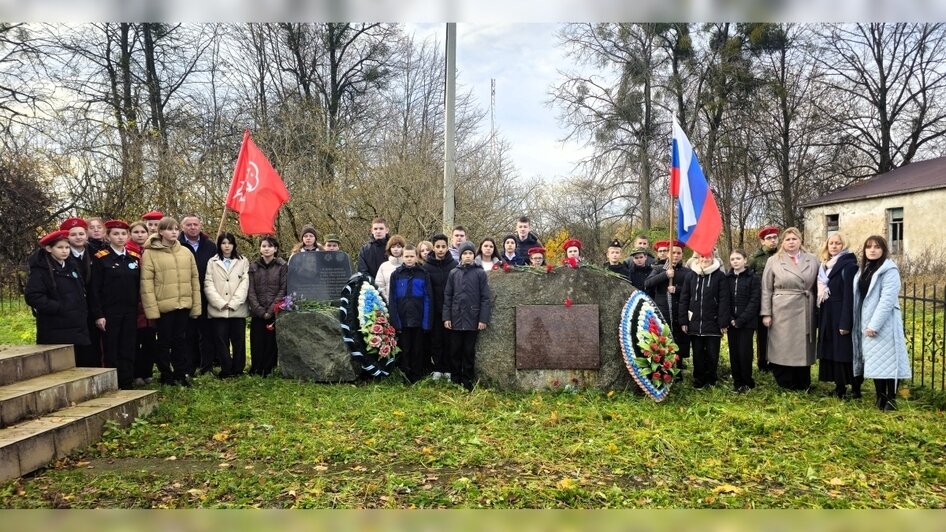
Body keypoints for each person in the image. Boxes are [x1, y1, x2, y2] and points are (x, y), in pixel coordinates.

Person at [140, 217, 201, 387]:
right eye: (169, 229)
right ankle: (166, 374)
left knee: (180, 341)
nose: (174, 232)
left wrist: (195, 307)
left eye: (176, 229)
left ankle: (181, 374)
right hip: (164, 306)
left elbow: (194, 280)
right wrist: (152, 310)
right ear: (160, 232)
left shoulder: (186, 252)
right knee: (164, 342)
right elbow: (147, 284)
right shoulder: (150, 253)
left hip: (183, 304)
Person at [852, 235, 910, 411]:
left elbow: (887, 300)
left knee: (890, 361)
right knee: (876, 361)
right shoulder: (865, 269)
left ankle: (891, 400)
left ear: (883, 250)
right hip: (866, 321)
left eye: (877, 247)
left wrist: (874, 325)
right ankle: (880, 397)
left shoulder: (889, 270)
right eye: (869, 247)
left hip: (884, 324)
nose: (872, 250)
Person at [760, 227, 818, 391]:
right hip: (781, 309)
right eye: (787, 239)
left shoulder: (812, 259)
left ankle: (803, 381)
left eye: (794, 239)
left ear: (800, 241)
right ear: (782, 242)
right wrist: (766, 313)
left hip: (805, 306)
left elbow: (820, 284)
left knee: (802, 346)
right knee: (782, 344)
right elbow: (766, 288)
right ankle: (785, 381)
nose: (791, 242)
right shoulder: (774, 260)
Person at [88, 220, 141, 389]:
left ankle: (127, 381)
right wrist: (98, 314)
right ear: (108, 236)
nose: (120, 237)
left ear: (128, 236)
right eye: (116, 234)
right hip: (110, 312)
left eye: (123, 234)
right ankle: (112, 383)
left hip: (130, 311)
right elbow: (94, 289)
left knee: (128, 346)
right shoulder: (101, 258)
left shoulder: (134, 258)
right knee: (111, 348)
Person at [25, 230, 90, 357]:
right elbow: (33, 296)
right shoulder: (41, 270)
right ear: (49, 249)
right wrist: (57, 307)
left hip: (77, 326)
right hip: (55, 326)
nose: (65, 251)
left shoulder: (71, 266)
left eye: (67, 247)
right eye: (60, 247)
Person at [816, 233, 861, 399]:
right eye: (831, 243)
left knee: (845, 353)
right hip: (828, 314)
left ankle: (856, 389)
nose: (834, 246)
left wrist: (845, 322)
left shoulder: (849, 266)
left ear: (844, 245)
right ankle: (839, 387)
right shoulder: (825, 266)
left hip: (841, 313)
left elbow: (850, 296)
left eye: (838, 243)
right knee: (833, 352)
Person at [443, 241, 491, 391]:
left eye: (470, 253)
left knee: (468, 351)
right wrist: (447, 317)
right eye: (465, 253)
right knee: (455, 350)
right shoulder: (453, 273)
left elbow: (485, 297)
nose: (468, 256)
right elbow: (448, 296)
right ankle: (455, 378)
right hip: (456, 318)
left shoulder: (480, 273)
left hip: (473, 318)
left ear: (474, 255)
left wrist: (483, 319)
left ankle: (467, 380)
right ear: (461, 256)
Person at [679, 253, 730, 388]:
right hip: (695, 322)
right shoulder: (690, 276)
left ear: (712, 258)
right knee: (697, 353)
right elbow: (684, 298)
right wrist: (684, 321)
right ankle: (699, 379)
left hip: (713, 322)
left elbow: (724, 300)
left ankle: (711, 378)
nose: (705, 259)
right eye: (702, 257)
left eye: (708, 257)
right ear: (698, 258)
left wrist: (723, 322)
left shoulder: (720, 276)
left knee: (713, 353)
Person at [204, 232, 250, 378]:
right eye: (223, 243)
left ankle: (238, 369)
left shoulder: (243, 261)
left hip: (237, 309)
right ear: (219, 245)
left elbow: (245, 283)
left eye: (229, 243)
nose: (227, 246)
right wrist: (220, 303)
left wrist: (235, 302)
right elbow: (208, 284)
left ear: (234, 244)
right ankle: (226, 369)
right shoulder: (212, 262)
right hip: (219, 310)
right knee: (221, 340)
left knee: (239, 340)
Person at [645, 240, 692, 377]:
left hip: (680, 310)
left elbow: (691, 291)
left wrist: (677, 289)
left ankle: (678, 368)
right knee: (664, 339)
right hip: (663, 309)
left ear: (682, 255)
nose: (676, 255)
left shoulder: (687, 272)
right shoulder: (659, 269)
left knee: (679, 339)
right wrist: (665, 275)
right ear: (668, 254)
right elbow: (648, 283)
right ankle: (664, 368)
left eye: (678, 253)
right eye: (673, 253)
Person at [178, 214, 217, 375]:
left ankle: (206, 366)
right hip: (185, 294)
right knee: (188, 334)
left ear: (200, 226)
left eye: (195, 224)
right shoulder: (177, 245)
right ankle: (189, 367)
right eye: (189, 225)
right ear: (182, 227)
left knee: (206, 333)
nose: (193, 227)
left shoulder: (210, 246)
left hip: (205, 294)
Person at [388, 245, 432, 383]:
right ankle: (405, 374)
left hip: (419, 320)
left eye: (412, 256)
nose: (409, 259)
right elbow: (392, 300)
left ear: (416, 257)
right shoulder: (396, 274)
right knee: (405, 348)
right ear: (402, 257)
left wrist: (426, 322)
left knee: (418, 348)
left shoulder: (423, 273)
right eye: (406, 256)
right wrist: (396, 322)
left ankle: (417, 375)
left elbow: (428, 298)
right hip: (403, 320)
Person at [60, 217, 99, 366]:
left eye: (81, 234)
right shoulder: (63, 255)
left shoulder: (96, 253)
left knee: (93, 344)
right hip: (72, 308)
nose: (78, 237)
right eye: (73, 234)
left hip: (92, 306)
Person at [247, 236, 287, 377]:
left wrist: (271, 310)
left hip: (273, 311)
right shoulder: (253, 266)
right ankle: (256, 367)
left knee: (270, 342)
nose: (266, 249)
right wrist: (258, 309)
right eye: (264, 246)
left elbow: (283, 289)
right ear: (260, 249)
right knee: (257, 340)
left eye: (270, 246)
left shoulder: (282, 266)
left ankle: (268, 368)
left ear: (275, 249)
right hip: (257, 311)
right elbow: (250, 290)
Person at [422, 233, 458, 381]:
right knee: (436, 339)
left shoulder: (454, 265)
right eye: (438, 246)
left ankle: (448, 369)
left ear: (447, 247)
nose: (441, 249)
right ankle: (437, 368)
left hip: (449, 309)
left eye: (443, 246)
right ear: (433, 247)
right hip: (434, 309)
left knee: (449, 339)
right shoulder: (426, 266)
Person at [726, 249, 761, 393]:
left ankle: (747, 380)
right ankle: (737, 380)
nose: (735, 261)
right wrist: (730, 318)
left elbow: (754, 301)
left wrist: (741, 320)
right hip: (731, 321)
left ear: (745, 260)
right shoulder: (727, 278)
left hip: (747, 322)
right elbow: (724, 300)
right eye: (733, 259)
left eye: (738, 258)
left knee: (745, 352)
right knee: (734, 352)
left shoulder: (753, 278)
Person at [128, 220, 157, 385]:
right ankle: (136, 373)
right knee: (135, 342)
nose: (140, 235)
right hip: (134, 304)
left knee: (150, 340)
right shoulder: (127, 252)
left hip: (150, 303)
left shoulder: (151, 251)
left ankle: (147, 372)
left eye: (143, 232)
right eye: (136, 232)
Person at [748, 225, 780, 372]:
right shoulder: (756, 259)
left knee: (778, 332)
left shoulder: (782, 255)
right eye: (769, 238)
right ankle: (762, 363)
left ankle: (777, 361)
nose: (772, 241)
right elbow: (748, 279)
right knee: (763, 333)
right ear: (762, 241)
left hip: (780, 301)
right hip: (762, 301)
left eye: (774, 237)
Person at [375, 234, 406, 301]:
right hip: (389, 303)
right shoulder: (384, 266)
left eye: (398, 247)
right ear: (389, 249)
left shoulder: (407, 265)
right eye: (393, 247)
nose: (395, 249)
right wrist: (387, 300)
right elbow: (379, 285)